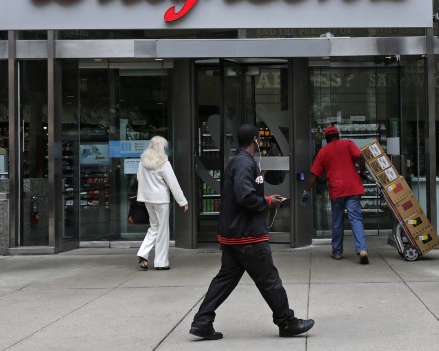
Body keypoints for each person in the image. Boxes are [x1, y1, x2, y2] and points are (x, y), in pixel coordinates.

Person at [189, 124, 314, 340]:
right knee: (269, 279)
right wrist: (268, 201)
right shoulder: (244, 163)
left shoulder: (239, 162)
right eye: (259, 140)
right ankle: (286, 321)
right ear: (255, 140)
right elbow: (244, 196)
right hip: (248, 236)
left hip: (234, 235)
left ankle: (202, 321)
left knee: (224, 280)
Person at [302, 125, 369, 264]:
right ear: (338, 136)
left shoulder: (323, 152)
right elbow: (360, 157)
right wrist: (362, 171)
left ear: (326, 139)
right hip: (353, 187)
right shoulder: (348, 143)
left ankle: (337, 252)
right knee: (356, 219)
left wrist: (306, 191)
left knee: (337, 222)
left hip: (337, 190)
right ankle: (362, 250)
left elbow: (314, 174)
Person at [136, 136, 189, 271]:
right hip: (161, 199)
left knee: (154, 227)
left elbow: (138, 178)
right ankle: (161, 262)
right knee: (162, 230)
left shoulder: (143, 161)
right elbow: (173, 184)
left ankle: (143, 253)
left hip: (147, 199)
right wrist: (182, 201)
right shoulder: (163, 162)